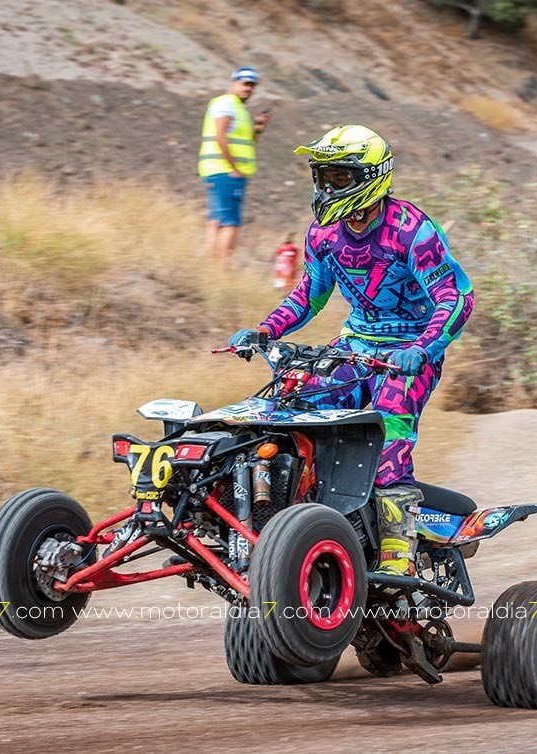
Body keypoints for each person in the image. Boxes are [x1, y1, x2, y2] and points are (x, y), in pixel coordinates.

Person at [229, 125, 474, 578]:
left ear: (371, 177)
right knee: (285, 406)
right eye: (322, 177)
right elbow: (309, 294)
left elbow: (455, 296)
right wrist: (265, 331)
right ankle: (280, 522)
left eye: (338, 178)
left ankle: (399, 552)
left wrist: (422, 348)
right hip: (355, 346)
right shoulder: (323, 234)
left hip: (407, 352)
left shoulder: (412, 230)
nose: (326, 188)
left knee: (388, 428)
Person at [198, 66, 271, 270]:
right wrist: (234, 168)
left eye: (252, 85)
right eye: (245, 84)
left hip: (221, 170)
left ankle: (208, 268)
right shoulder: (225, 104)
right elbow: (220, 136)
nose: (249, 89)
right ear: (234, 83)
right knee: (230, 222)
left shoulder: (240, 109)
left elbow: (248, 142)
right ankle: (222, 269)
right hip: (225, 171)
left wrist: (258, 127)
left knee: (217, 220)